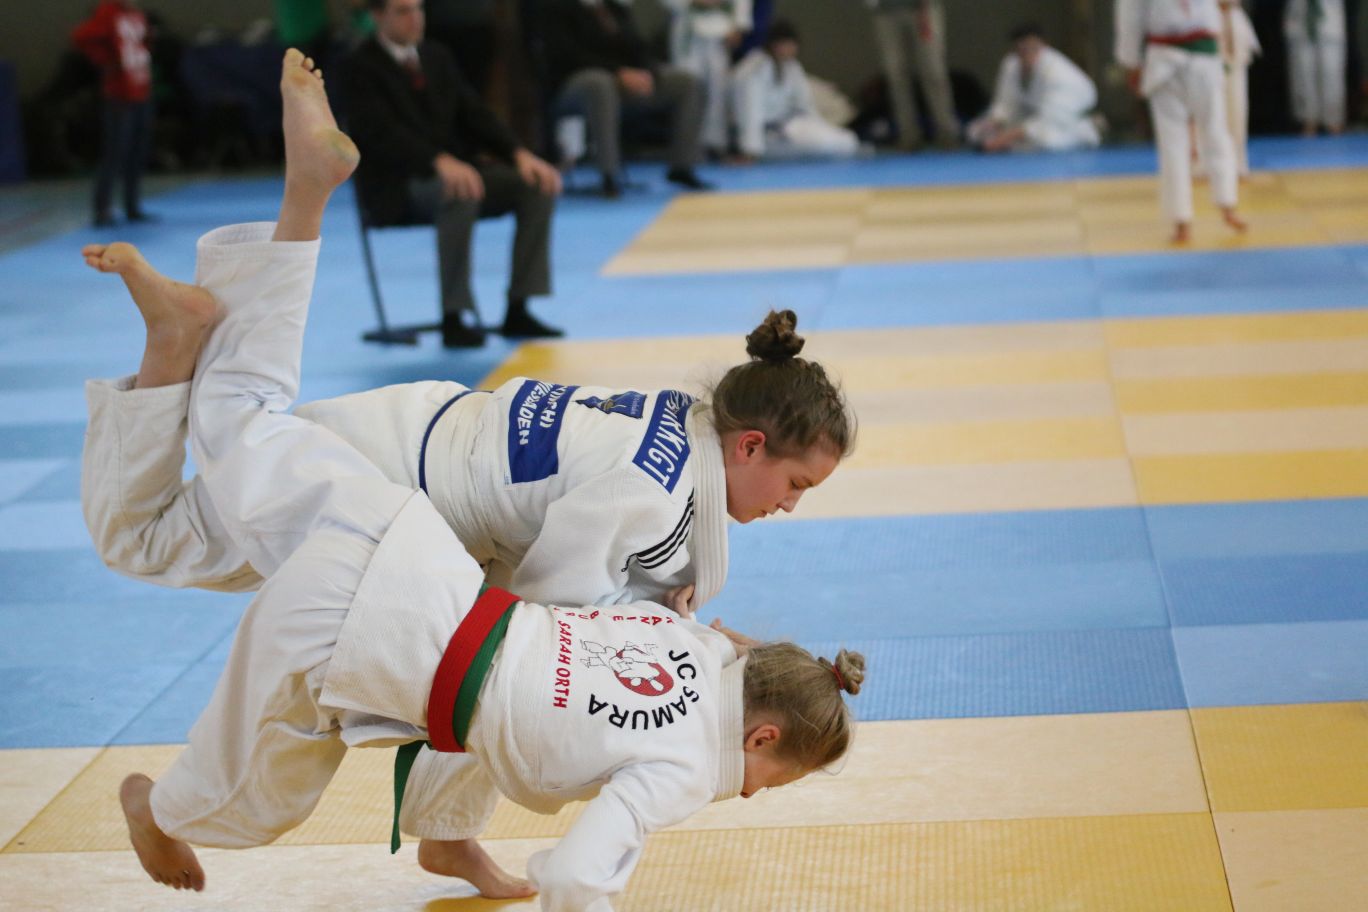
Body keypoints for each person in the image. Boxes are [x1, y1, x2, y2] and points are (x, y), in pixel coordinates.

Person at [82, 51, 868, 907]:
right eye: (797, 483)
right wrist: (678, 634)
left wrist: (696, 637)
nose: (790, 506)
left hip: (433, 456)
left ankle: (449, 836)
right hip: (398, 488)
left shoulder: (683, 426)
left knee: (492, 667)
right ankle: (281, 223)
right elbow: (547, 611)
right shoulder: (652, 499)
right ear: (748, 447)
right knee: (161, 519)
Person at [343, 0, 563, 348]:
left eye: (418, 9)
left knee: (536, 185)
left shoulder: (436, 56)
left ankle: (519, 307)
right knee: (459, 191)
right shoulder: (358, 67)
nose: (414, 19)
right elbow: (380, 135)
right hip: (398, 186)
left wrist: (518, 153)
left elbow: (474, 113)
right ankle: (454, 316)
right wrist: (437, 161)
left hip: (455, 173)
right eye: (403, 11)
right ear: (377, 16)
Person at [538, 0, 712, 198]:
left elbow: (638, 46)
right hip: (575, 82)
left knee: (687, 83)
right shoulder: (556, 7)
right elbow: (565, 55)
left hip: (623, 82)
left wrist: (647, 73)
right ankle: (609, 174)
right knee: (600, 83)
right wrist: (618, 72)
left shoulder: (614, 8)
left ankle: (682, 167)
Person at [1115, 0, 1247, 244]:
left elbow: (1130, 17)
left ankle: (1191, 219)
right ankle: (1218, 210)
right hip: (1184, 57)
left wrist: (1131, 62)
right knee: (1207, 134)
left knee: (1179, 142)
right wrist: (1132, 63)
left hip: (1182, 56)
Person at [73, 0, 156, 228]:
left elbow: (141, 44)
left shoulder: (137, 15)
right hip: (120, 95)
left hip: (141, 91)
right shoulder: (108, 11)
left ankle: (132, 206)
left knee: (137, 153)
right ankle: (102, 208)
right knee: (115, 153)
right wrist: (105, 60)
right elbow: (81, 36)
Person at [730, 20, 859, 161]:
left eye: (792, 45)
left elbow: (805, 105)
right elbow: (749, 112)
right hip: (761, 136)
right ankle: (751, 148)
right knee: (824, 145)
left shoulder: (792, 67)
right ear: (774, 44)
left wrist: (818, 126)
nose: (791, 49)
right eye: (786, 44)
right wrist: (749, 150)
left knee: (847, 140)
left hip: (785, 127)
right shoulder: (753, 69)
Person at [966, 23, 1101, 154]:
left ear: (1043, 46)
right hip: (1028, 120)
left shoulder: (1060, 74)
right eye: (1021, 49)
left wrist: (1001, 140)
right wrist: (994, 123)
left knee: (1046, 140)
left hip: (1065, 126)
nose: (1026, 53)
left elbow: (1047, 120)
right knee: (975, 130)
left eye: (1032, 48)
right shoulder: (1011, 64)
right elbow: (1005, 104)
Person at [864, 0, 959, 150]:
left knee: (933, 71)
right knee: (896, 74)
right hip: (885, 11)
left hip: (923, 8)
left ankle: (947, 133)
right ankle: (908, 135)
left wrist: (924, 8)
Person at [664, 0, 753, 160]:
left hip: (721, 30)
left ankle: (714, 144)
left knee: (718, 92)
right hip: (688, 30)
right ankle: (686, 147)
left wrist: (738, 25)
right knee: (688, 89)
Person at [1283, 0, 1346, 136]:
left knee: (1332, 74)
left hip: (1329, 22)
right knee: (1303, 75)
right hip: (1300, 20)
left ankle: (1333, 120)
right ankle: (1309, 120)